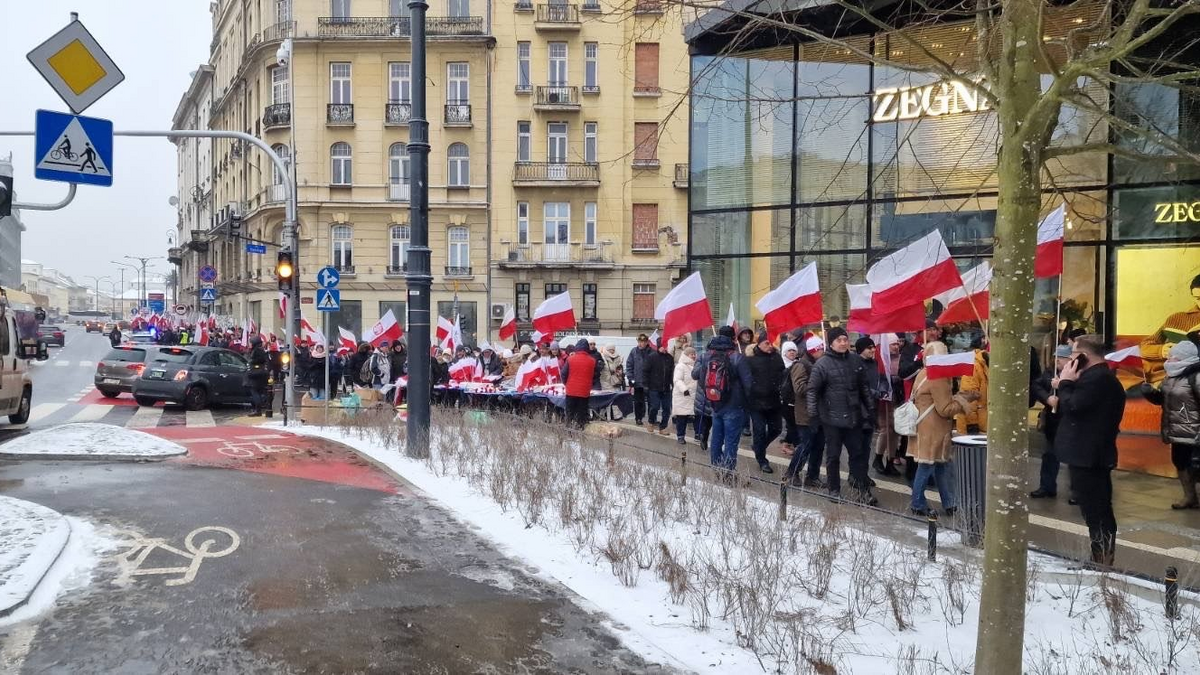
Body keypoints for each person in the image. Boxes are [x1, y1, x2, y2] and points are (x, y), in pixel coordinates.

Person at [1050, 334, 1126, 567]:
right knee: (1093, 509)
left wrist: (1065, 383)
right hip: (1087, 454)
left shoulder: (1099, 378)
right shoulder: (1095, 377)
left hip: (1090, 455)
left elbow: (1074, 405)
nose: (1070, 359)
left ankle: (1102, 560)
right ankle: (1100, 557)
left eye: (1073, 354)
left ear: (1084, 355)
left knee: (1097, 511)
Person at [806, 327, 878, 504]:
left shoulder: (855, 361)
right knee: (833, 456)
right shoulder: (822, 364)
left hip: (854, 417)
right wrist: (813, 416)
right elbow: (812, 391)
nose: (843, 343)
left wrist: (871, 411)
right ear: (831, 343)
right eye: (839, 340)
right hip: (831, 419)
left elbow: (864, 389)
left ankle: (864, 490)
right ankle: (834, 489)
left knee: (858, 456)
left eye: (845, 339)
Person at [909, 341, 980, 515]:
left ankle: (949, 503)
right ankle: (918, 503)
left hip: (925, 427)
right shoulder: (938, 377)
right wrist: (965, 399)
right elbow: (945, 409)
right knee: (928, 467)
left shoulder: (923, 373)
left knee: (940, 466)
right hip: (934, 429)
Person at [1142, 341, 1200, 509]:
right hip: (1177, 429)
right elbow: (1163, 400)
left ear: (1184, 358)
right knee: (1180, 462)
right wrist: (1150, 393)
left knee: (1195, 466)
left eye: (1174, 356)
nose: (1169, 358)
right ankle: (1189, 496)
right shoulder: (1171, 376)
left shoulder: (1196, 376)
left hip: (1194, 430)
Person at [692, 331, 753, 478]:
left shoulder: (706, 356)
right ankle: (728, 473)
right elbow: (749, 384)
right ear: (732, 341)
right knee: (731, 441)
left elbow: (697, 377)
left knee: (716, 439)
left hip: (715, 404)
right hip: (734, 405)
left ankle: (716, 468)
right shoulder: (737, 358)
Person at [1140, 274, 1200, 386]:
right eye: (1198, 298)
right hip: (1177, 367)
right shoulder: (1177, 318)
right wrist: (1161, 350)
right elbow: (1145, 345)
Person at [1030, 345, 1072, 499]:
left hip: (1069, 420)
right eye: (1056, 357)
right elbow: (1037, 385)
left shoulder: (1077, 373)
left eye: (1061, 358)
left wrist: (1061, 386)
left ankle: (1077, 491)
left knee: (1074, 457)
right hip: (1053, 421)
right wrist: (1047, 398)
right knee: (1049, 454)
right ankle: (1047, 486)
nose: (1057, 360)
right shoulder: (1050, 372)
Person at [784, 335, 826, 488]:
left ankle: (812, 476)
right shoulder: (801, 365)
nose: (823, 351)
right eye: (820, 349)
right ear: (813, 350)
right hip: (805, 413)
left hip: (820, 412)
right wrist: (818, 382)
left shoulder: (820, 363)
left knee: (819, 446)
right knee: (806, 445)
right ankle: (792, 473)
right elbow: (800, 388)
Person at [745, 330, 784, 474]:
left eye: (773, 343)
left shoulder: (777, 358)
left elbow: (783, 376)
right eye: (767, 343)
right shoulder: (750, 359)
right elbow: (745, 380)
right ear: (759, 344)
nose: (771, 346)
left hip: (774, 402)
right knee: (759, 431)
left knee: (776, 430)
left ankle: (758, 446)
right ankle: (762, 460)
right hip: (756, 403)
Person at [873, 336, 905, 477]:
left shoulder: (902, 358)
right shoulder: (879, 359)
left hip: (898, 398)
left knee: (895, 430)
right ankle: (878, 458)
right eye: (893, 344)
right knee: (885, 429)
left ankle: (890, 460)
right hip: (883, 400)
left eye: (897, 344)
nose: (896, 346)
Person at [561, 338, 599, 429]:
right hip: (584, 392)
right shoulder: (592, 361)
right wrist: (589, 384)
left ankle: (569, 431)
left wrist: (566, 384)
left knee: (570, 413)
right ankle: (580, 429)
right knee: (581, 414)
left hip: (571, 391)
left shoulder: (570, 359)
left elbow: (563, 373)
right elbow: (595, 375)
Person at [642, 336, 674, 435]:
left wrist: (672, 384)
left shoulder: (670, 358)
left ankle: (663, 427)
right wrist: (646, 385)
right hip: (654, 387)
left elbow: (672, 373)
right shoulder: (652, 357)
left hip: (666, 388)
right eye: (663, 346)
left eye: (666, 346)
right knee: (655, 406)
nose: (665, 348)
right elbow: (645, 372)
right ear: (659, 346)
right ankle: (651, 422)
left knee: (667, 409)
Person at [955, 346, 989, 434]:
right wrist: (972, 426)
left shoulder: (984, 365)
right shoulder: (975, 367)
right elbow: (969, 398)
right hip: (976, 429)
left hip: (984, 426)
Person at [671, 347, 698, 444]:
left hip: (694, 396)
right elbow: (677, 380)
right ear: (686, 355)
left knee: (696, 417)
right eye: (692, 354)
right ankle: (680, 436)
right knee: (682, 417)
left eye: (694, 354)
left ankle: (698, 435)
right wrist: (684, 389)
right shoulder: (680, 366)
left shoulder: (697, 365)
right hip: (683, 396)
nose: (694, 356)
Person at [626, 333, 652, 426]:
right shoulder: (634, 351)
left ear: (646, 342)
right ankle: (638, 418)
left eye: (643, 342)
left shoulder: (651, 352)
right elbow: (629, 365)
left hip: (649, 382)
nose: (641, 344)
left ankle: (651, 419)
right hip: (637, 382)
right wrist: (630, 378)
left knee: (651, 402)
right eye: (640, 342)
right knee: (638, 402)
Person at [779, 340, 800, 454]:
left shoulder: (798, 364)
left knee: (793, 423)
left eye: (793, 350)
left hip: (796, 400)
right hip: (786, 401)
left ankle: (786, 443)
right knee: (792, 424)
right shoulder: (781, 365)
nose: (792, 352)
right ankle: (797, 446)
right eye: (789, 350)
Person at [246, 336, 271, 416]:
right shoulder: (261, 350)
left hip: (256, 375)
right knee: (259, 392)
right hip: (260, 375)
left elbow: (253, 361)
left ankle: (258, 410)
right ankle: (257, 409)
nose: (249, 344)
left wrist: (250, 362)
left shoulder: (256, 351)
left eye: (250, 342)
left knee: (255, 392)